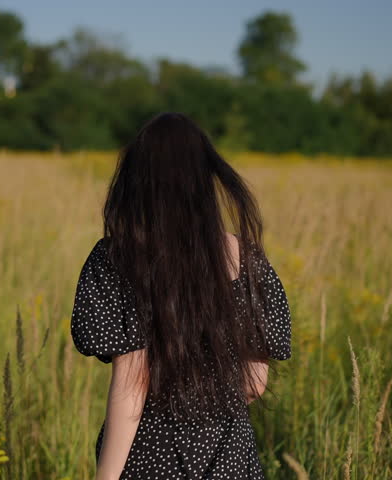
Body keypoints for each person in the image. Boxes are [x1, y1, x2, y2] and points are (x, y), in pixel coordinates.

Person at [70, 112, 292, 479]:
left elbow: (132, 382)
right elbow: (254, 382)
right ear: (205, 179)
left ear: (138, 181)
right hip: (232, 462)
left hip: (149, 461)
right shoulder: (249, 260)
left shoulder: (119, 258)